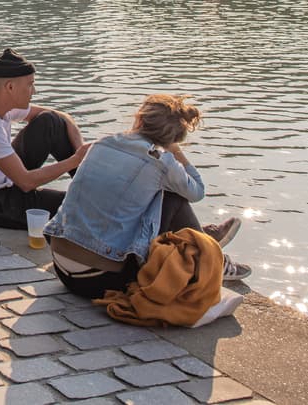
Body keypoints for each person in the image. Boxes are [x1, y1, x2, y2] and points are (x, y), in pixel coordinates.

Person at [44, 94, 250, 297]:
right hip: (99, 280)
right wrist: (176, 152)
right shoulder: (162, 162)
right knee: (172, 197)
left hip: (61, 266)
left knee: (146, 192)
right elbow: (198, 191)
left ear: (139, 119)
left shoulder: (101, 143)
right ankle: (210, 259)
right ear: (172, 138)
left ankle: (201, 241)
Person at [0, 48, 88, 230]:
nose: (34, 91)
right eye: (30, 85)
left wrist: (80, 153)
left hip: (6, 179)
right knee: (79, 206)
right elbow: (26, 182)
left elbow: (62, 116)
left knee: (50, 121)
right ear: (10, 87)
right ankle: (93, 200)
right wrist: (75, 160)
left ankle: (90, 185)